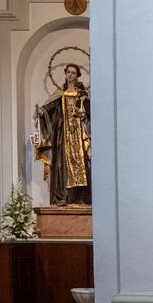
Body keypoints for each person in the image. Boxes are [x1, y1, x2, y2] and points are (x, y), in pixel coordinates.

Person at [33, 64, 91, 206]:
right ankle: (64, 195)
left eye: (73, 72)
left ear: (77, 76)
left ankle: (79, 197)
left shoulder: (82, 95)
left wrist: (85, 103)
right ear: (65, 74)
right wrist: (41, 113)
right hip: (64, 135)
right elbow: (49, 108)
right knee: (62, 163)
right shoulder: (60, 94)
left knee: (80, 162)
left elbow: (89, 113)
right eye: (68, 72)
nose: (70, 75)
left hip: (78, 133)